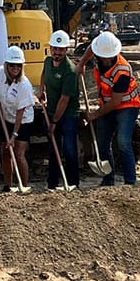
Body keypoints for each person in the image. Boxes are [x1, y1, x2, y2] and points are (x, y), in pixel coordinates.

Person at [77, 30, 140, 186]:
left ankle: (130, 182)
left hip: (127, 105)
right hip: (107, 103)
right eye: (102, 56)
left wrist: (95, 114)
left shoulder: (123, 70)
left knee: (123, 142)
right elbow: (91, 49)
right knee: (102, 143)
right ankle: (108, 179)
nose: (105, 60)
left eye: (108, 57)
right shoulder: (99, 51)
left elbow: (116, 101)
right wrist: (82, 63)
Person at [38, 30, 80, 191]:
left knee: (69, 149)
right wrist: (41, 90)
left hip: (68, 115)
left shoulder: (70, 70)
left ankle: (73, 183)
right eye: (55, 49)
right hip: (52, 110)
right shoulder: (48, 61)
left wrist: (54, 121)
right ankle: (52, 183)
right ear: (51, 48)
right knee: (53, 148)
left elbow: (65, 99)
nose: (57, 52)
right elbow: (43, 74)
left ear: (66, 50)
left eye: (61, 49)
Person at [0, 46, 35, 192]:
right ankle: (8, 185)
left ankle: (24, 185)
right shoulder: (0, 72)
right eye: (12, 65)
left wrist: (14, 135)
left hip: (22, 121)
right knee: (5, 152)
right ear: (6, 65)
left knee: (18, 153)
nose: (15, 68)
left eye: (18, 65)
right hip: (6, 117)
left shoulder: (25, 85)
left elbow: (20, 112)